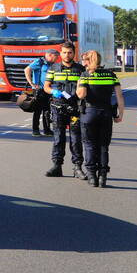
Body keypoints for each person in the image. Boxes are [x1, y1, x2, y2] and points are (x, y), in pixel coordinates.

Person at [76, 50, 125, 187]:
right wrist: (120, 115)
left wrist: (80, 81)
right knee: (104, 146)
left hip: (89, 113)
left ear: (88, 61)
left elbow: (81, 95)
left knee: (90, 145)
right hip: (106, 113)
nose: (82, 63)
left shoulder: (85, 75)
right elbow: (120, 96)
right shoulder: (111, 75)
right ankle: (103, 176)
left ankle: (92, 176)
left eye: (84, 60)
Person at [42, 41, 86, 179]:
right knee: (58, 137)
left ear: (74, 53)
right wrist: (53, 92)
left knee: (76, 139)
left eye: (70, 52)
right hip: (57, 107)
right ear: (60, 54)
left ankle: (77, 167)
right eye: (64, 52)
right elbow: (46, 87)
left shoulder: (80, 69)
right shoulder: (53, 68)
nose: (67, 55)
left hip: (75, 109)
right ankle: (57, 166)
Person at [24, 49, 59, 137]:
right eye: (56, 56)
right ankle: (35, 130)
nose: (57, 58)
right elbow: (27, 69)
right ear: (50, 55)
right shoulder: (39, 62)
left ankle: (47, 130)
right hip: (39, 90)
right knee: (38, 110)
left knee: (47, 110)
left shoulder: (52, 64)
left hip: (48, 89)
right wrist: (31, 83)